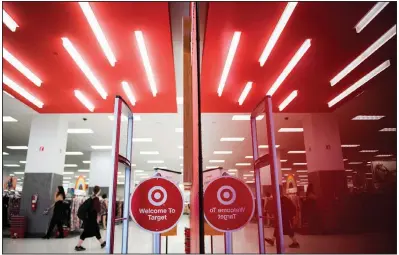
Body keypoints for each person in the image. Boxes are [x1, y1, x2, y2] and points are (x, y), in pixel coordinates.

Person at [75, 186, 106, 251]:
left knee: (96, 230)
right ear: (99, 191)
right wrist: (98, 217)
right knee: (86, 232)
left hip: (89, 218)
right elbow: (97, 210)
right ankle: (78, 246)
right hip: (91, 219)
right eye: (100, 190)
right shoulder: (96, 199)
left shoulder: (91, 197)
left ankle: (102, 243)